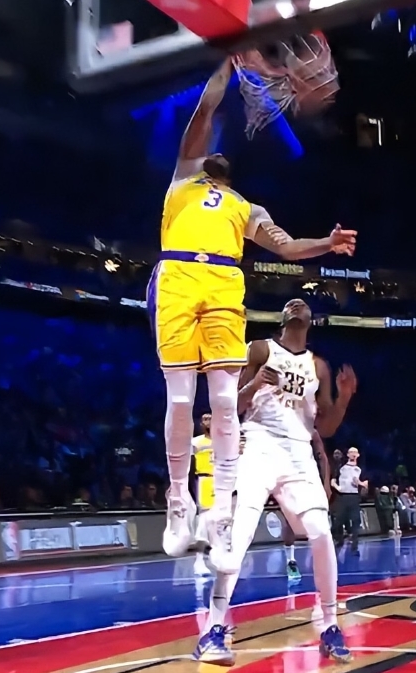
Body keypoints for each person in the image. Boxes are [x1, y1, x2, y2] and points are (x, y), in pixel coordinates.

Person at [147, 58, 358, 562]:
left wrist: (326, 244)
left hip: (224, 281)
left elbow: (285, 247)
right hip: (177, 276)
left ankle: (219, 514)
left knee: (224, 402)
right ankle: (178, 501)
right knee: (181, 400)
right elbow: (205, 111)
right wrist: (227, 60)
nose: (215, 150)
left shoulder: (246, 209)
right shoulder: (182, 180)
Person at [193, 298, 357, 665]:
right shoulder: (260, 349)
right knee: (240, 534)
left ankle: (330, 625)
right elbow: (229, 407)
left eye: (303, 304)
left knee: (321, 531)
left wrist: (344, 398)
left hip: (298, 451)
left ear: (311, 321)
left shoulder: (318, 366)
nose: (297, 304)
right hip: (260, 443)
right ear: (283, 318)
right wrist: (253, 385)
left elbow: (326, 427)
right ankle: (212, 630)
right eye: (291, 303)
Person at [282, 431, 331, 583]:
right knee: (290, 521)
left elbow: (323, 457)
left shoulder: (311, 431)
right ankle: (291, 561)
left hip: (310, 479)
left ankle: (321, 560)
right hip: (289, 479)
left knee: (318, 521)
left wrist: (326, 484)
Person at [331, 448, 368, 553]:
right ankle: (339, 539)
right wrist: (338, 488)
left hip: (354, 496)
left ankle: (354, 546)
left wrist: (359, 483)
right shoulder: (341, 467)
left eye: (355, 452)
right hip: (342, 496)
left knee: (355, 521)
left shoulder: (360, 469)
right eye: (351, 452)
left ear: (358, 455)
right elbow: (333, 481)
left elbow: (365, 484)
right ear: (347, 454)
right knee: (338, 520)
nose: (353, 454)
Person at [191, 413, 214, 576]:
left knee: (222, 522)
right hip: (204, 481)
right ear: (201, 424)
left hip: (222, 482)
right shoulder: (196, 442)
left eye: (211, 418)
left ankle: (216, 557)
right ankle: (198, 561)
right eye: (205, 419)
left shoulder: (223, 440)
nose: (208, 421)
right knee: (203, 522)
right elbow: (189, 467)